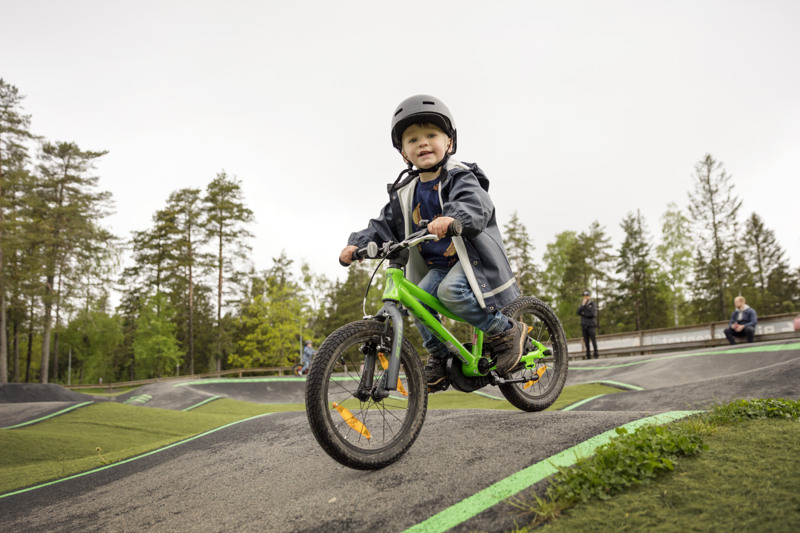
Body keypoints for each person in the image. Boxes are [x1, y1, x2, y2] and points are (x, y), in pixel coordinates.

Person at [339, 94, 526, 392]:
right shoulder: (406, 191)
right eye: (412, 140)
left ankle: (505, 331)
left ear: (449, 142)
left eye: (431, 135)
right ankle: (440, 357)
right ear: (404, 153)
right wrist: (358, 244)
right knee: (417, 299)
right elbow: (385, 224)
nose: (422, 143)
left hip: (469, 259)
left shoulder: (460, 175)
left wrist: (452, 218)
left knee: (451, 292)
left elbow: (475, 204)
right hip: (439, 265)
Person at [577, 290, 598, 359]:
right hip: (584, 325)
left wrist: (584, 314)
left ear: (589, 297)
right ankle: (588, 355)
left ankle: (596, 354)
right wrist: (582, 305)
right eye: (584, 296)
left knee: (593, 340)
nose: (585, 298)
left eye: (586, 296)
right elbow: (578, 312)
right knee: (586, 341)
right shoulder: (583, 305)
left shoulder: (593, 304)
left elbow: (592, 314)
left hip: (591, 325)